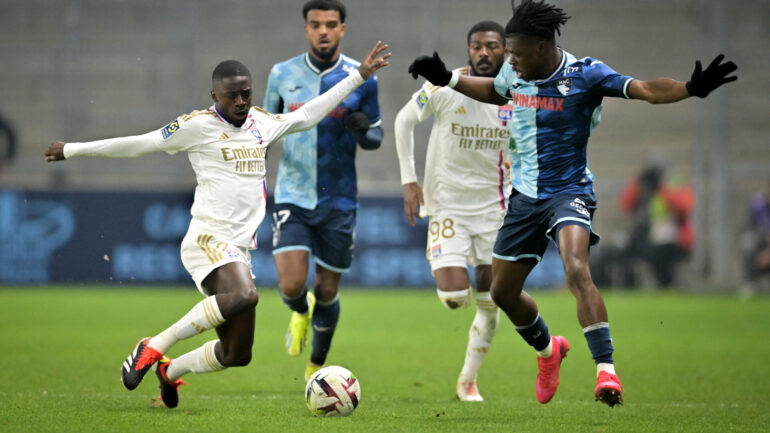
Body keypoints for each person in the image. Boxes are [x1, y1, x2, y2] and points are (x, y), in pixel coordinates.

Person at [407, 0, 737, 407]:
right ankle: (550, 351)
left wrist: (690, 88)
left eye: (516, 52)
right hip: (525, 198)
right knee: (503, 293)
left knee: (575, 265)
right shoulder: (515, 72)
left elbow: (647, 90)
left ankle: (606, 373)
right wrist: (447, 79)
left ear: (542, 47)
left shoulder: (587, 75)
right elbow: (495, 92)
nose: (509, 60)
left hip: (570, 191)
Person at [43, 43, 390, 408]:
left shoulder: (262, 123)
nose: (241, 101)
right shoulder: (196, 126)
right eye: (232, 95)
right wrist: (72, 149)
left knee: (237, 353)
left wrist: (360, 75)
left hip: (238, 250)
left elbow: (308, 115)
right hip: (208, 239)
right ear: (215, 95)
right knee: (246, 296)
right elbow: (139, 144)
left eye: (246, 93)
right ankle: (154, 345)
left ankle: (170, 372)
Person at [263, 0, 383, 381]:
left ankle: (317, 364)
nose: (324, 31)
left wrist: (364, 130)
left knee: (328, 289)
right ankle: (300, 310)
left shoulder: (362, 77)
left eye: (331, 24)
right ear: (306, 29)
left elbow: (376, 136)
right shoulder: (282, 74)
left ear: (342, 29)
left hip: (339, 198)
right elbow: (262, 131)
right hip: (292, 194)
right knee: (292, 284)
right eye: (316, 25)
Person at [394, 20, 509, 402]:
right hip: (448, 206)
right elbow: (403, 120)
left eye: (492, 46)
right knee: (455, 296)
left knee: (493, 301)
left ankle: (467, 381)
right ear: (468, 51)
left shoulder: (516, 93)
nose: (484, 53)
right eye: (477, 46)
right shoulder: (444, 86)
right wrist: (410, 180)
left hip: (497, 209)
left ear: (505, 51)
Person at [617, 163, 694, 287]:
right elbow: (626, 206)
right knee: (626, 248)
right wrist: (637, 183)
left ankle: (666, 284)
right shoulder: (646, 189)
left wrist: (662, 190)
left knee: (660, 254)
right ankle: (631, 284)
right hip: (652, 236)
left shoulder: (675, 185)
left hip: (676, 239)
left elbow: (683, 207)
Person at [743, 181, 770, 285]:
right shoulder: (758, 204)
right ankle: (750, 282)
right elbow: (749, 226)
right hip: (761, 240)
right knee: (747, 242)